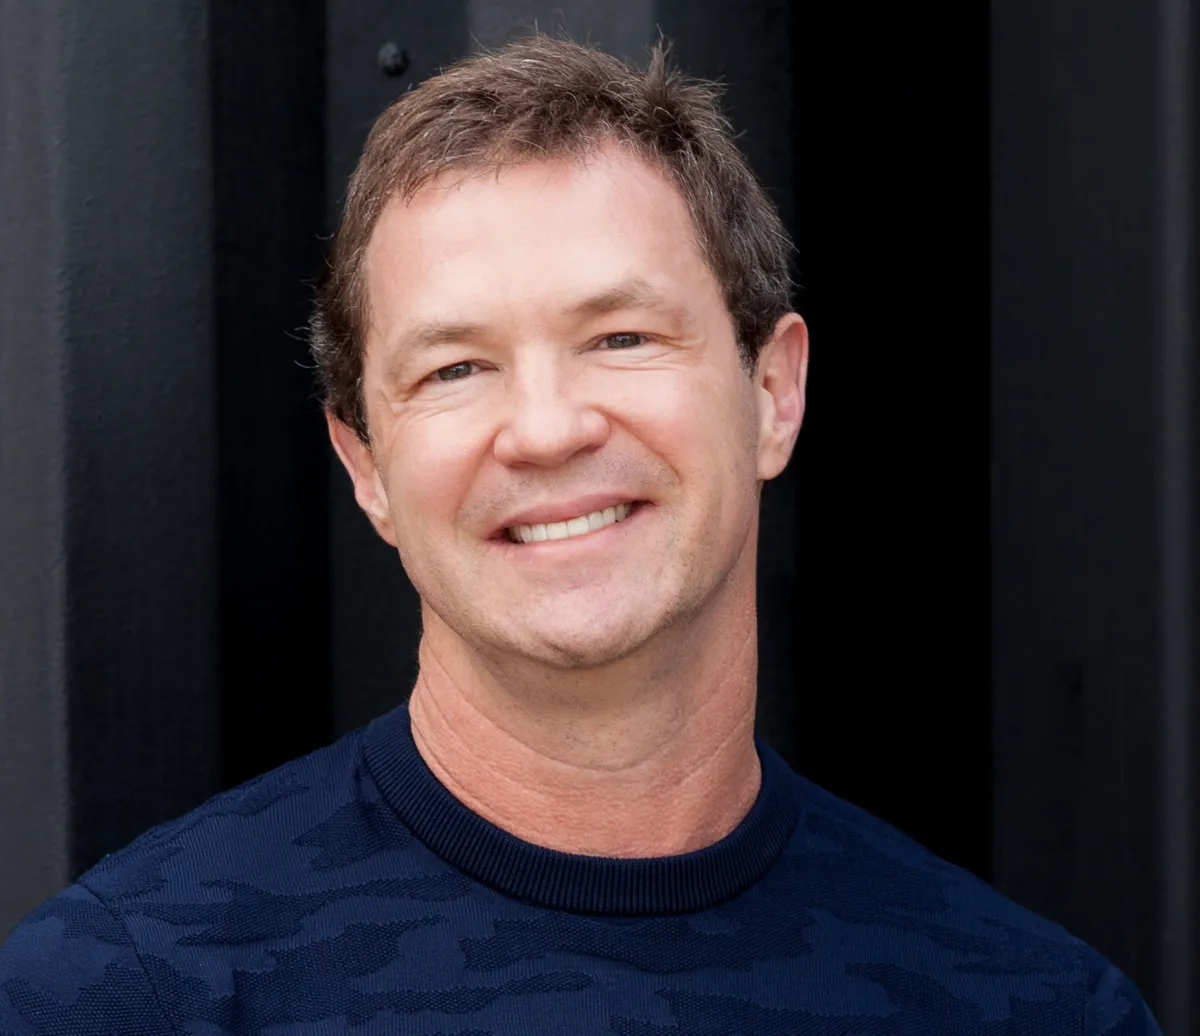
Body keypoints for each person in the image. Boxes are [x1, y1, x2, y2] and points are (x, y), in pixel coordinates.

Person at [0, 35, 1160, 1036]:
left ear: (773, 391)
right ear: (366, 466)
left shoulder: (1028, 1005)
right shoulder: (126, 992)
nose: (548, 429)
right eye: (456, 368)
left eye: (621, 338)